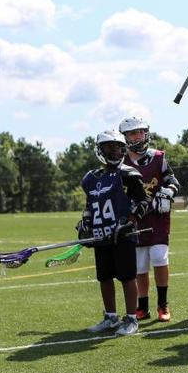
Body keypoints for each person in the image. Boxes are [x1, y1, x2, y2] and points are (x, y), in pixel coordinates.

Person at [79, 130, 149, 336]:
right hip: (101, 234)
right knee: (104, 276)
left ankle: (131, 318)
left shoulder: (127, 174)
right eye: (109, 148)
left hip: (122, 235)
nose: (115, 152)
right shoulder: (91, 178)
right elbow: (89, 206)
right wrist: (85, 223)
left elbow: (143, 202)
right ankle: (110, 317)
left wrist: (130, 222)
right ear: (100, 150)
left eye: (118, 148)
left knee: (127, 277)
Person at [119, 117, 180, 322]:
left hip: (157, 217)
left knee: (159, 257)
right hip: (135, 218)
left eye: (141, 132)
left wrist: (167, 192)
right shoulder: (122, 163)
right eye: (133, 133)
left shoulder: (158, 157)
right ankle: (142, 306)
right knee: (140, 265)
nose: (138, 136)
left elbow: (172, 181)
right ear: (126, 137)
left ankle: (163, 304)